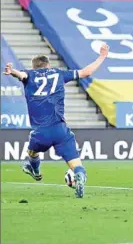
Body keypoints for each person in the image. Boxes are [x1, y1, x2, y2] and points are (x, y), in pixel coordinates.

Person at [3, 43, 109, 198]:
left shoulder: (30, 75)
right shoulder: (59, 74)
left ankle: (36, 171)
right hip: (61, 130)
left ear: (34, 67)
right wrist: (102, 56)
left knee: (32, 153)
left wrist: (12, 71)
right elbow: (86, 72)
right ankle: (79, 175)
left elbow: (21, 75)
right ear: (48, 65)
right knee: (76, 164)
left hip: (41, 132)